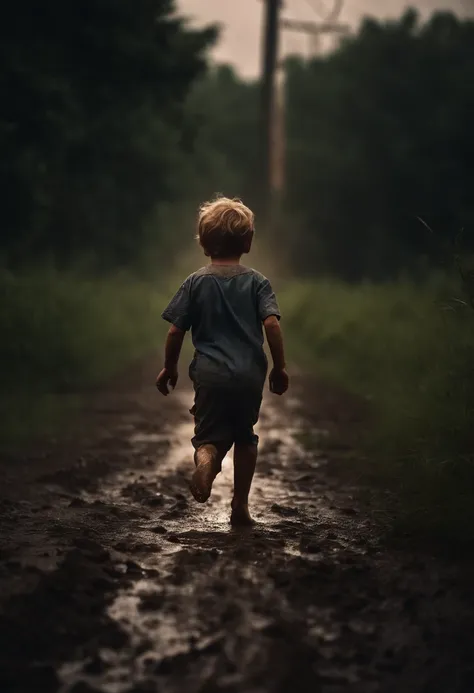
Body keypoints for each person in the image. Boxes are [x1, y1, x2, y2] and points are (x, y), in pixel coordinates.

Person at [156, 196, 289, 526]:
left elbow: (175, 332)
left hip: (210, 375)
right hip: (248, 375)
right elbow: (271, 324)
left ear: (203, 244)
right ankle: (240, 506)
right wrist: (280, 367)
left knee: (208, 437)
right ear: (248, 241)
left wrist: (169, 367)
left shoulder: (196, 282)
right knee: (245, 437)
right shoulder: (257, 282)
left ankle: (206, 461)